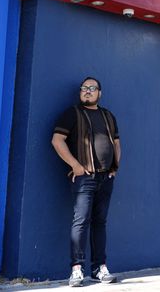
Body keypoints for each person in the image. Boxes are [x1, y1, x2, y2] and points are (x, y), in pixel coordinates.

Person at [52, 77, 121, 286]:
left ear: (100, 93)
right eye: (84, 88)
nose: (87, 91)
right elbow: (57, 140)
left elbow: (116, 143)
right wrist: (75, 165)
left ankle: (99, 269)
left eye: (92, 88)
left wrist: (115, 167)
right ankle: (76, 270)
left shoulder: (108, 115)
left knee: (100, 223)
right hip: (84, 178)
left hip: (105, 177)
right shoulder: (72, 113)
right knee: (80, 222)